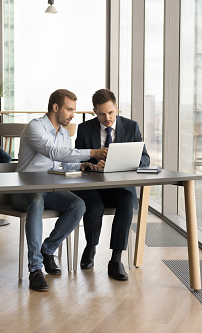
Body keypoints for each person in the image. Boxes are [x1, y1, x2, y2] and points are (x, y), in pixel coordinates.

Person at [12, 89, 108, 292]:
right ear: (56, 107)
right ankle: (35, 269)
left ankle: (48, 249)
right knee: (36, 200)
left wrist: (82, 165)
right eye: (69, 109)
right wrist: (91, 153)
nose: (73, 114)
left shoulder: (64, 134)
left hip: (49, 189)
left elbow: (62, 163)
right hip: (24, 191)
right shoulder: (34, 128)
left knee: (78, 205)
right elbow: (53, 151)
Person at [74, 88, 150, 281]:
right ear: (94, 111)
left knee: (127, 198)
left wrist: (130, 161)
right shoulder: (84, 129)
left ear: (117, 108)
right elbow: (75, 160)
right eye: (101, 114)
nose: (107, 118)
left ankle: (116, 260)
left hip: (119, 186)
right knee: (95, 206)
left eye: (110, 112)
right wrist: (89, 164)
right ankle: (90, 247)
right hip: (92, 186)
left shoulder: (132, 127)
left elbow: (145, 158)